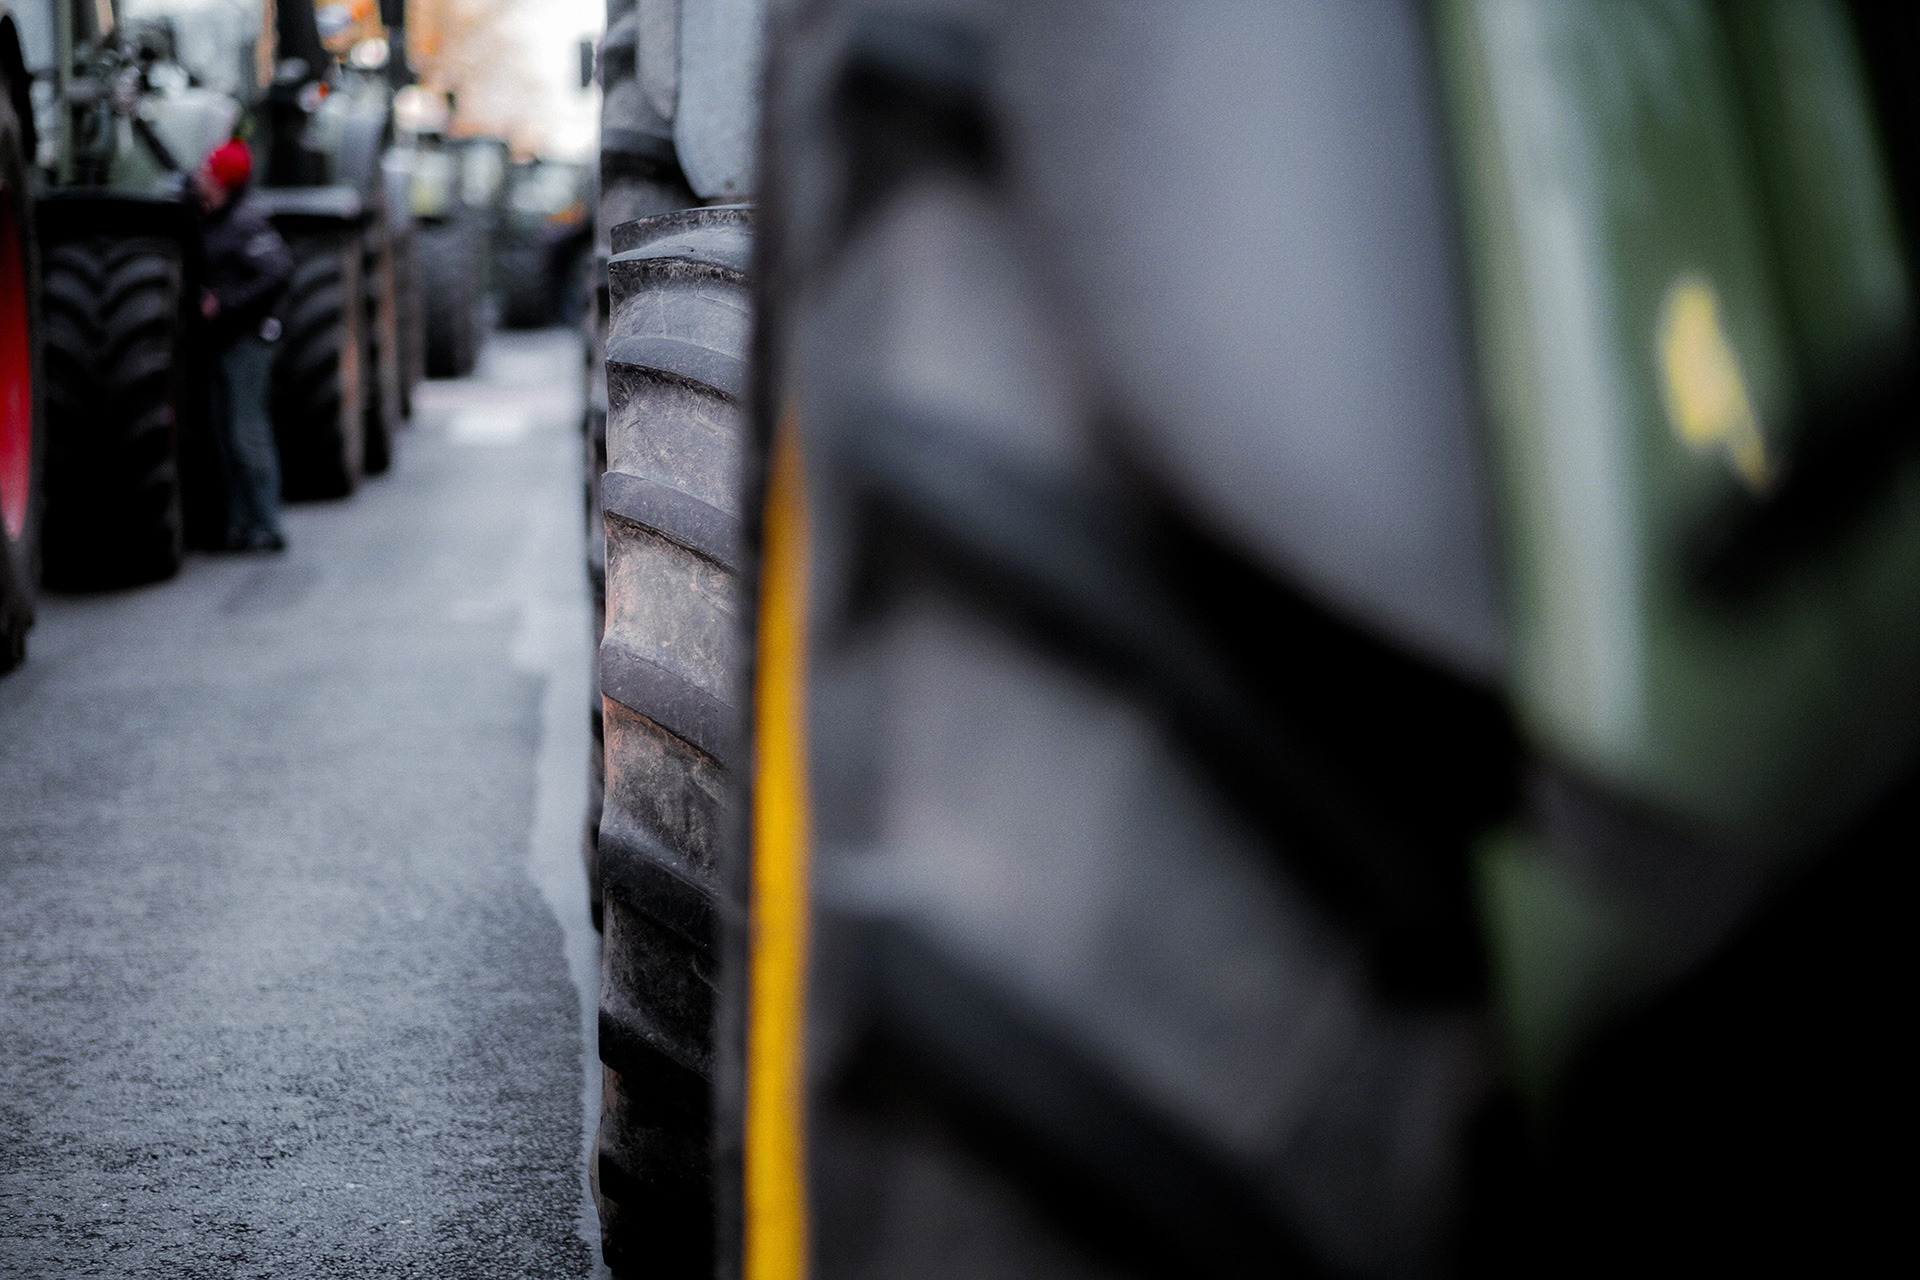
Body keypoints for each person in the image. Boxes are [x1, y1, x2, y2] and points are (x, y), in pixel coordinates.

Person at [196, 137, 293, 552]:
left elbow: (277, 270)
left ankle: (267, 525)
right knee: (224, 435)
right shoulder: (215, 218)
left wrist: (225, 305)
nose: (200, 176)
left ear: (221, 180)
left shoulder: (246, 223)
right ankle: (239, 526)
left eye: (208, 170)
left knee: (247, 433)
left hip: (247, 342)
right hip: (224, 342)